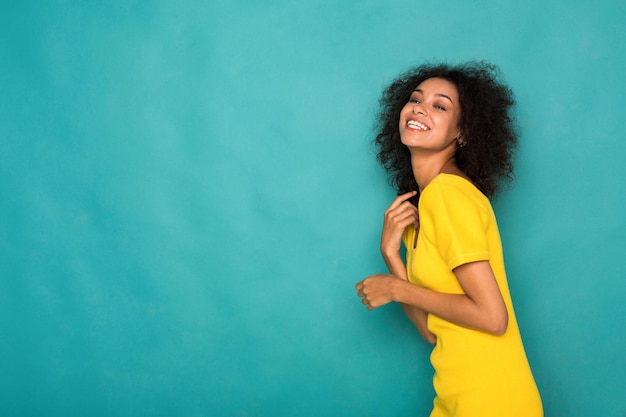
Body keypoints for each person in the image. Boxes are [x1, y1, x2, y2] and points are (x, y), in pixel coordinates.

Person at [355, 61, 543, 416]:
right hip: (456, 398)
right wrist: (391, 255)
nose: (419, 108)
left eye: (440, 106)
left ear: (463, 132)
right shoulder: (426, 205)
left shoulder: (449, 195)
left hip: (492, 400)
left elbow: (492, 318)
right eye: (416, 99)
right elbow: (431, 330)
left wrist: (396, 289)